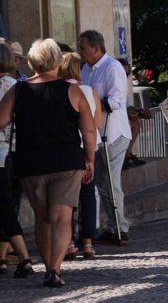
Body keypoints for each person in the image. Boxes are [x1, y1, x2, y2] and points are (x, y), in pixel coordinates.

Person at [0, 39, 96, 287]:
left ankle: (48, 266)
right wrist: (90, 159)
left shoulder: (18, 91)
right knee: (62, 217)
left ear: (32, 62)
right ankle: (55, 269)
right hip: (66, 162)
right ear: (57, 59)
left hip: (30, 162)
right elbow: (89, 132)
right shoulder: (72, 91)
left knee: (42, 217)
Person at [78, 30, 132, 244]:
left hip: (114, 133)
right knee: (102, 183)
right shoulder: (86, 69)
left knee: (110, 182)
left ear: (96, 48)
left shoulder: (112, 67)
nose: (80, 51)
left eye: (83, 47)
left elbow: (116, 101)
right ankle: (113, 225)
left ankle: (120, 228)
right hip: (97, 135)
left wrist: (88, 102)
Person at [59, 52, 102, 259]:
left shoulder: (61, 90)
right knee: (88, 195)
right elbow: (97, 123)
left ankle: (68, 242)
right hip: (90, 145)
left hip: (70, 147)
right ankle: (87, 242)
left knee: (66, 196)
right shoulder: (89, 91)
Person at [0, 43, 34, 278]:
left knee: (3, 209)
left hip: (0, 155)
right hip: (18, 153)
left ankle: (24, 258)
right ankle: (2, 259)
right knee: (8, 205)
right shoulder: (20, 88)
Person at [117, 58, 151, 169]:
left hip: (121, 118)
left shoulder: (123, 86)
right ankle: (124, 157)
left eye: (126, 74)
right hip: (111, 120)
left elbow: (127, 106)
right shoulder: (112, 83)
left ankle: (127, 155)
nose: (124, 76)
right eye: (122, 73)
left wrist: (139, 112)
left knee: (135, 123)